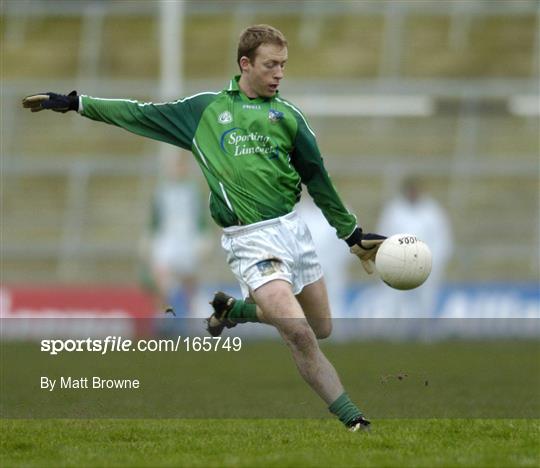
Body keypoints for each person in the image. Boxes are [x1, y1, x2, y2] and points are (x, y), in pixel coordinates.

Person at [22, 24, 385, 432]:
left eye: (283, 65)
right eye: (271, 65)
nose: (279, 73)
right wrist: (76, 103)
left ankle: (236, 310)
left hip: (293, 231)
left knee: (322, 328)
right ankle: (355, 420)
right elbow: (139, 114)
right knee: (299, 334)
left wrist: (352, 235)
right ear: (245, 64)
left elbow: (319, 180)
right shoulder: (204, 111)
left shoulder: (288, 116)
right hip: (250, 240)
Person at [143, 152, 208, 319]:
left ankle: (194, 309)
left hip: (187, 237)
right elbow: (155, 217)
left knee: (188, 277)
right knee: (160, 273)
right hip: (166, 238)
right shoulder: (161, 191)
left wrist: (203, 237)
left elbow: (200, 217)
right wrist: (149, 237)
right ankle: (163, 312)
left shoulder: (193, 191)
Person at [377, 176, 453, 317]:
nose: (413, 193)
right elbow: (383, 237)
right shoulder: (394, 211)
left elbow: (442, 240)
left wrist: (434, 262)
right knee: (393, 302)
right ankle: (392, 334)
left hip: (425, 264)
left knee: (426, 302)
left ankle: (426, 335)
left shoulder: (432, 211)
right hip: (397, 264)